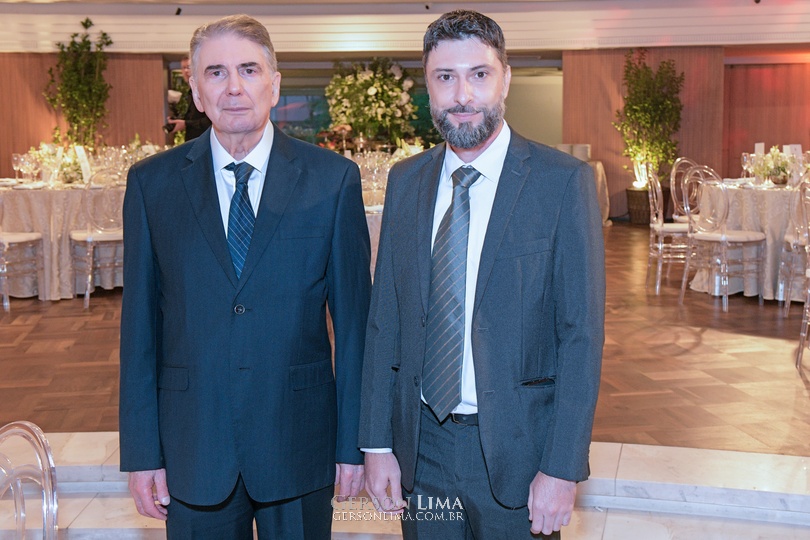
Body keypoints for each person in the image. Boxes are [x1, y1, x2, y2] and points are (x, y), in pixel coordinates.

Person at [119, 14, 371, 539]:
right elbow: (138, 329)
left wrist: (354, 445)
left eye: (249, 70)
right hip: (193, 446)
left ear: (274, 84)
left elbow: (354, 329)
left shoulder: (332, 180)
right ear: (195, 90)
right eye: (216, 72)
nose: (233, 87)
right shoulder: (151, 184)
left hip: (299, 441)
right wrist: (142, 453)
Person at [359, 9, 604, 539]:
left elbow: (580, 336)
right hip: (422, 450)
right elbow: (384, 323)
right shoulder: (406, 181)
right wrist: (376, 444)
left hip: (521, 454)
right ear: (428, 87)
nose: (462, 95)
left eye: (479, 74)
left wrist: (562, 467)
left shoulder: (562, 183)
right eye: (445, 77)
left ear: (505, 79)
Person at [166, 55, 213, 140]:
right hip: (192, 141)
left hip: (203, 141)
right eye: (183, 68)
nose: (186, 71)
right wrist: (178, 121)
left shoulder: (204, 90)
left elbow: (210, 120)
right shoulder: (189, 93)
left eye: (188, 67)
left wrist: (185, 123)